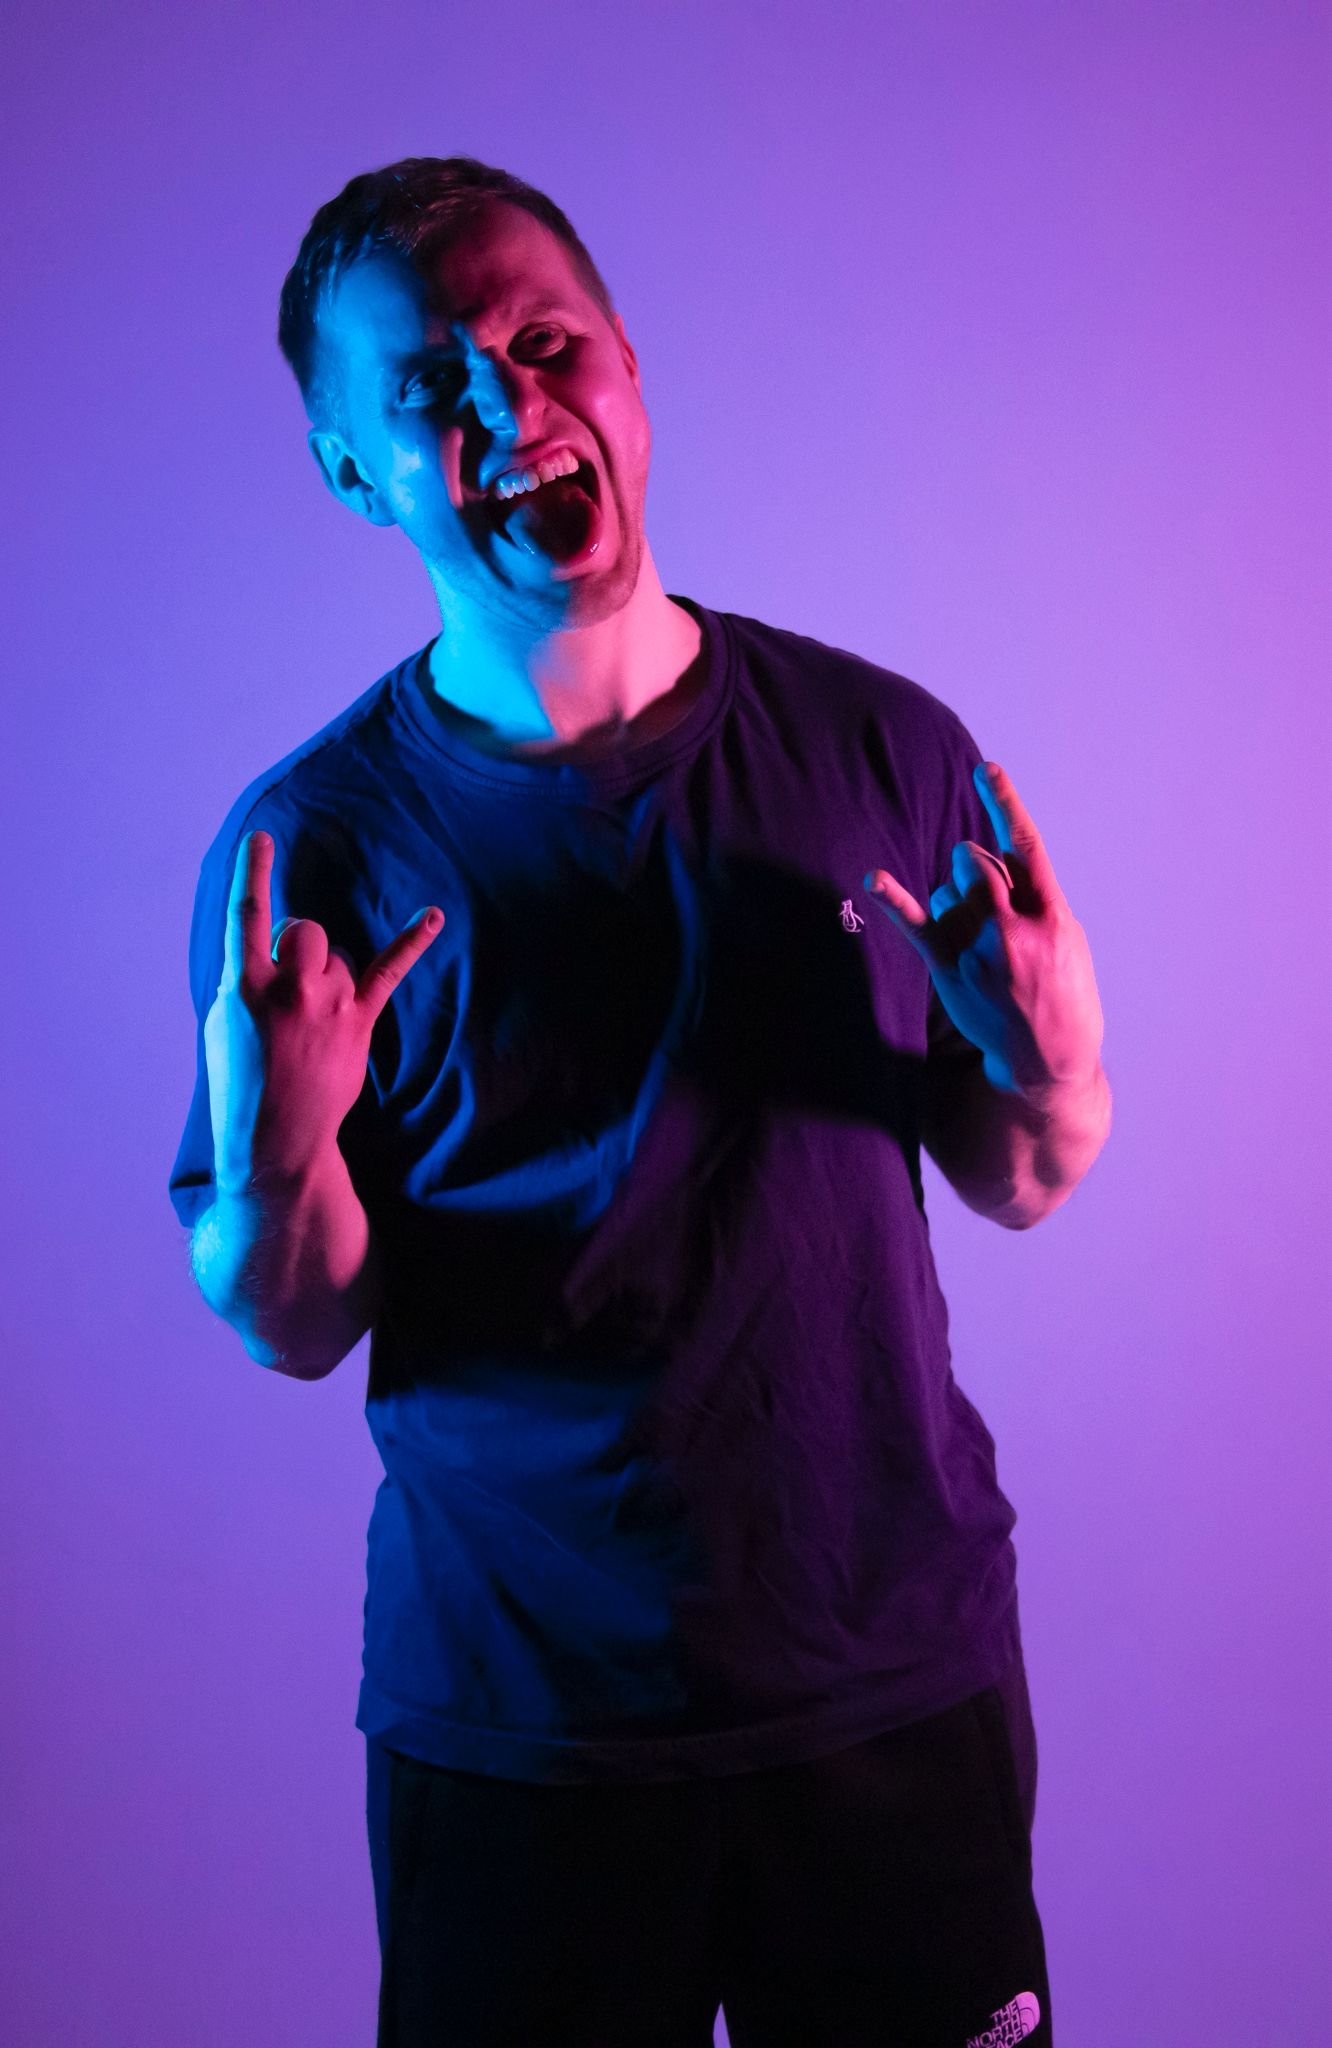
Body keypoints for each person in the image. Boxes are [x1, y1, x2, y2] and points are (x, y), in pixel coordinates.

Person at [169, 155, 1111, 2048]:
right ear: (353, 469)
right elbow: (297, 1324)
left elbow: (1020, 1180)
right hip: (523, 1728)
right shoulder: (315, 850)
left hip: (887, 1682)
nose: (510, 410)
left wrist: (1048, 1052)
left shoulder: (878, 750)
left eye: (543, 346)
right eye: (431, 391)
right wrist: (279, 1142)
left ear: (626, 372)